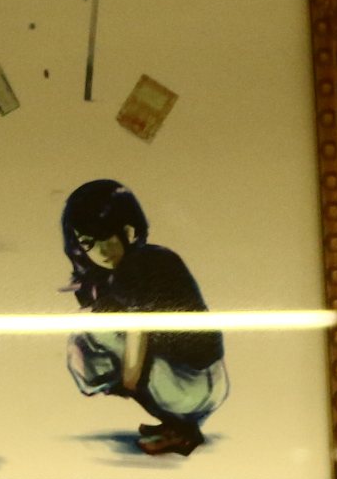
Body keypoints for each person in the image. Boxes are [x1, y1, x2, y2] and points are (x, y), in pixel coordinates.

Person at [58, 179, 226, 456]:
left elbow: (138, 330)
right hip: (201, 381)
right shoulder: (128, 267)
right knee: (93, 330)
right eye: (88, 243)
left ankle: (183, 429)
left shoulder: (141, 264)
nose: (101, 251)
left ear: (129, 229)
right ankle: (176, 423)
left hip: (192, 382)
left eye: (107, 236)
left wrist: (126, 383)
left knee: (87, 332)